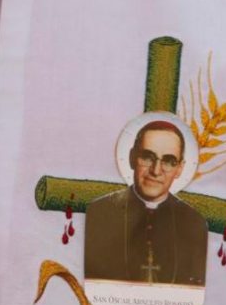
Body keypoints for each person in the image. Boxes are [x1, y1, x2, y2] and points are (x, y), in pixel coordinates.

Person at [84, 120, 208, 286]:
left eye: (168, 161)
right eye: (148, 157)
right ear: (132, 158)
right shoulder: (99, 213)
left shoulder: (194, 223)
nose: (156, 171)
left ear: (179, 169)